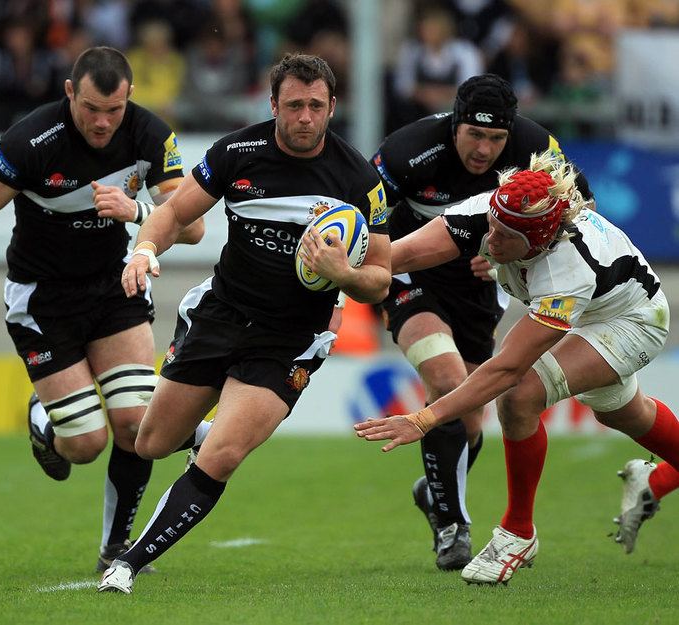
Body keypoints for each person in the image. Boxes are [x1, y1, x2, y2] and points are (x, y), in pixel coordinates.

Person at [96, 52, 391, 594]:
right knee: (151, 443)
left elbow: (380, 278)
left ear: (332, 108)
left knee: (224, 456)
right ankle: (198, 429)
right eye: (295, 105)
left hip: (290, 339)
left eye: (316, 106)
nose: (305, 117)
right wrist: (141, 250)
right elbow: (175, 214)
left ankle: (127, 564)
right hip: (222, 315)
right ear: (273, 103)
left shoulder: (358, 178)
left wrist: (343, 274)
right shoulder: (237, 152)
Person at [0, 46, 209, 573]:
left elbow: (194, 225)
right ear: (70, 93)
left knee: (138, 427)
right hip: (43, 299)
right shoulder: (30, 141)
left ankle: (116, 548)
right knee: (85, 444)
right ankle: (45, 421)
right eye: (91, 109)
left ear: (129, 97)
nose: (103, 122)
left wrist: (137, 211)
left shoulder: (152, 134)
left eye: (114, 110)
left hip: (114, 289)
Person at [355, 151, 677, 586]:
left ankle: (517, 533)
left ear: (540, 242)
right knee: (623, 413)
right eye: (492, 225)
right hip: (595, 308)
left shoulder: (568, 270)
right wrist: (336, 275)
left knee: (520, 393)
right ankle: (654, 482)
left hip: (634, 320)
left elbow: (505, 370)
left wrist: (423, 418)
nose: (491, 240)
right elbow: (395, 258)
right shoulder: (490, 212)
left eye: (505, 237)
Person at [371, 72, 591, 570]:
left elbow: (581, 213)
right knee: (447, 380)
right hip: (411, 275)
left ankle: (437, 492)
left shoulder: (538, 150)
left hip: (480, 286)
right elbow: (362, 216)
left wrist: (504, 261)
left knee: (469, 415)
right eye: (475, 134)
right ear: (454, 124)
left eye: (496, 138)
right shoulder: (406, 151)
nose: (484, 150)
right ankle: (453, 529)